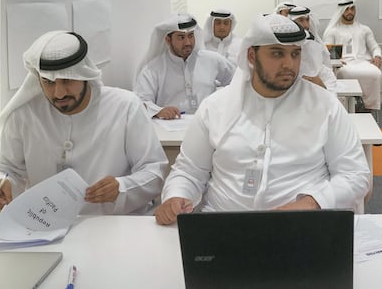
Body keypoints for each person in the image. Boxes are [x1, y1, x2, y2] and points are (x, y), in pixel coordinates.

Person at [154, 14, 370, 224]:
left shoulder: (326, 107)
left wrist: (313, 202)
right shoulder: (215, 107)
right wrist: (176, 195)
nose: (289, 64)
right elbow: (189, 171)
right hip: (222, 227)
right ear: (251, 56)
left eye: (295, 54)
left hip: (302, 227)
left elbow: (355, 175)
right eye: (277, 54)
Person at [0, 31, 167, 215]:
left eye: (67, 81)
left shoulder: (125, 106)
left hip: (114, 225)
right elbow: (7, 168)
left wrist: (122, 187)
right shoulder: (25, 114)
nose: (59, 93)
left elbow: (154, 171)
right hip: (46, 226)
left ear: (84, 74)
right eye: (48, 82)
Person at [134, 13, 235, 120]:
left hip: (208, 124)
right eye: (181, 37)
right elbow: (140, 100)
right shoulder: (153, 69)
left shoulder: (212, 60)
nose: (188, 42)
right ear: (168, 40)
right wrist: (158, 111)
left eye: (191, 36)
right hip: (169, 129)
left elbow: (238, 82)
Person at [322, 0, 382, 111]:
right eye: (347, 9)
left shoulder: (364, 29)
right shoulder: (332, 31)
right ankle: (348, 106)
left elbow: (375, 47)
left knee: (376, 73)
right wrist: (337, 60)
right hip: (343, 64)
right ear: (341, 11)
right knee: (345, 73)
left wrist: (377, 56)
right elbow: (326, 51)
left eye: (352, 8)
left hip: (363, 62)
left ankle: (368, 106)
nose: (350, 12)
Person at [288, 5, 338, 94]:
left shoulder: (324, 72)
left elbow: (332, 98)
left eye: (307, 20)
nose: (306, 25)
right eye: (301, 20)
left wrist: (321, 86)